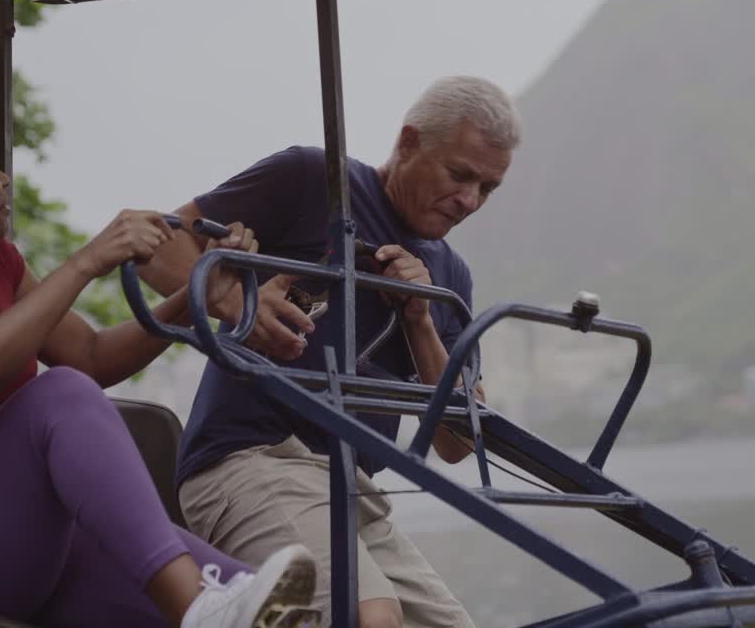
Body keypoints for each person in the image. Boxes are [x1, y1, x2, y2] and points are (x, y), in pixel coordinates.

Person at [0, 48, 319, 628]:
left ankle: (210, 605)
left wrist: (196, 296)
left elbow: (91, 354)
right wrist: (86, 262)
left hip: (24, 548)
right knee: (60, 395)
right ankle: (199, 610)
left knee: (267, 605)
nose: (3, 179)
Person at [141, 76, 521, 627]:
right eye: (459, 175)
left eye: (487, 189)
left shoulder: (448, 277)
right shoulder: (317, 182)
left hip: (354, 492)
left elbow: (458, 440)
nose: (468, 200)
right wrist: (235, 302)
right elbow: (163, 247)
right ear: (409, 142)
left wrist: (419, 320)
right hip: (252, 460)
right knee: (370, 618)